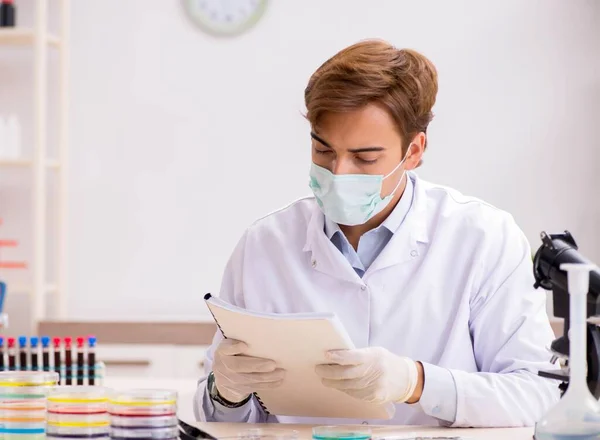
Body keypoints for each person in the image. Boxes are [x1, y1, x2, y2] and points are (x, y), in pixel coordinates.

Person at [193, 39, 559, 427]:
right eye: (323, 150)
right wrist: (225, 393)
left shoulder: (484, 238)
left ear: (414, 151)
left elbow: (534, 395)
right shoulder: (265, 244)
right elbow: (217, 419)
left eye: (365, 158)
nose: (339, 172)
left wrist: (417, 382)